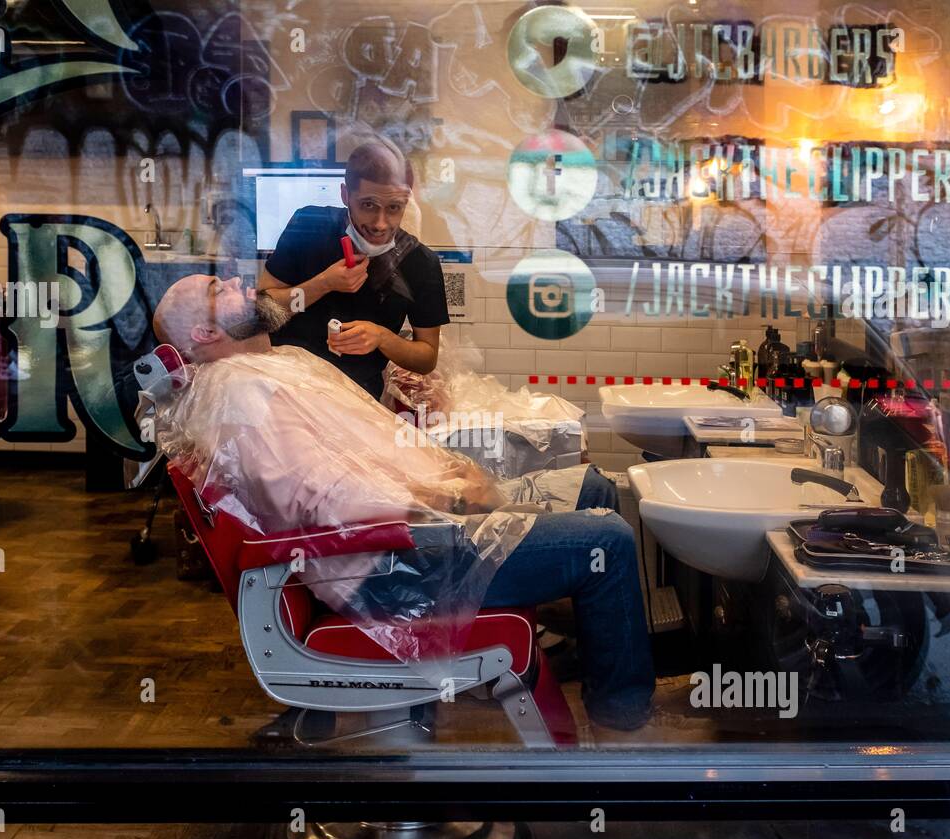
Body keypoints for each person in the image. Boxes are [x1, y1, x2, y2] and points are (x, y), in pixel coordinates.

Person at [152, 274, 655, 732]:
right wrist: (452, 492)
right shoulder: (239, 391)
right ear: (204, 333)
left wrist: (449, 468)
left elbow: (370, 451)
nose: (241, 280)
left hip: (419, 526)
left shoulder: (272, 366)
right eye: (222, 289)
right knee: (607, 540)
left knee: (592, 488)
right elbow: (323, 496)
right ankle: (623, 725)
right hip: (394, 565)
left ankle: (596, 656)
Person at [257, 137, 449, 401]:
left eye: (394, 208)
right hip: (285, 389)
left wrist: (382, 337)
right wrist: (323, 284)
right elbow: (262, 309)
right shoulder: (310, 225)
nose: (381, 224)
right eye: (368, 205)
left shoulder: (420, 263)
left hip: (356, 404)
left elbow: (427, 356)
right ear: (345, 195)